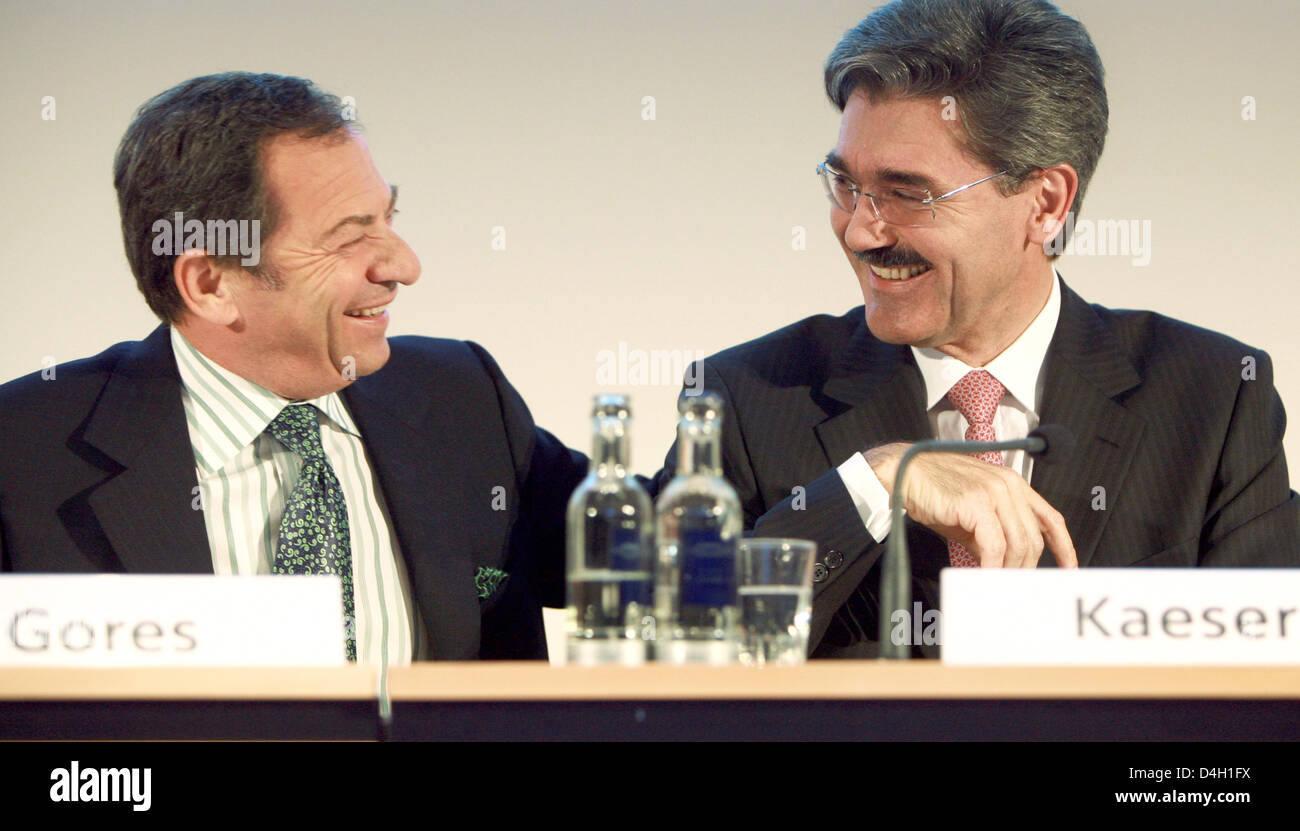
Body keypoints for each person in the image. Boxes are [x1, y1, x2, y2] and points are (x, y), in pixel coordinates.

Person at [652, 0, 1300, 658]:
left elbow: (1267, 680)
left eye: (907, 193)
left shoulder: (1213, 400)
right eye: (845, 185)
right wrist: (872, 483)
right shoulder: (750, 397)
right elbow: (671, 639)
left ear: (1046, 203)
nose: (859, 229)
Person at [0, 73, 586, 663]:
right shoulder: (20, 455)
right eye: (347, 239)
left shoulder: (459, 396)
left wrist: (688, 391)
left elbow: (647, 547)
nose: (403, 266)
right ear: (210, 284)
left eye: (388, 217)